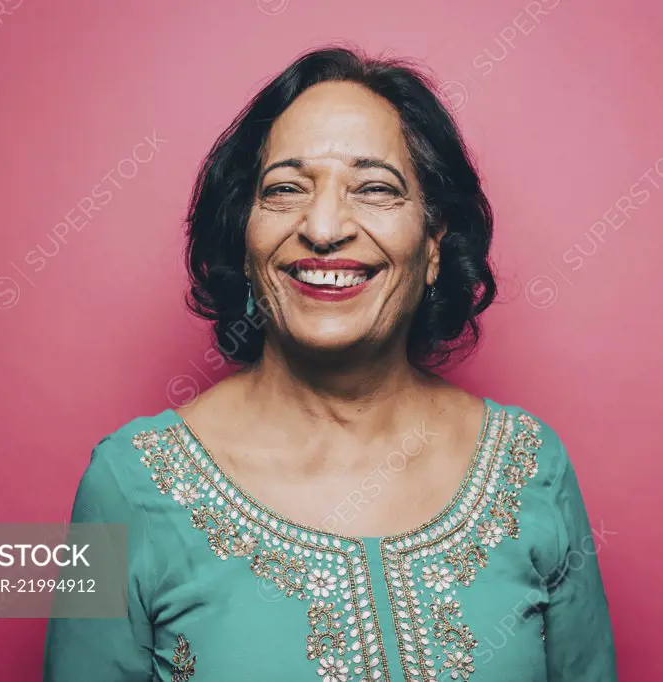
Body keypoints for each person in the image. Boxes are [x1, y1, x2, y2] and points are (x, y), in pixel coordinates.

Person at [44, 45, 617, 682]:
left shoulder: (532, 468)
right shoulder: (128, 486)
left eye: (374, 188)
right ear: (245, 232)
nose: (322, 227)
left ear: (433, 243)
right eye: (285, 189)